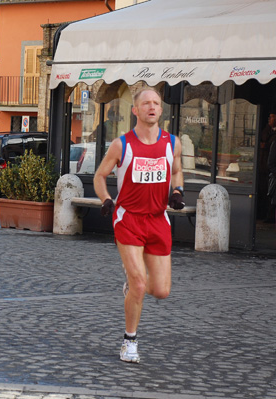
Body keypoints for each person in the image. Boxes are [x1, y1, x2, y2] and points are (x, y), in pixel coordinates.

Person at [93, 88, 184, 364]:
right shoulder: (122, 144)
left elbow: (177, 169)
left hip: (157, 220)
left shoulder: (173, 143)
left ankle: (132, 287)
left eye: (156, 103)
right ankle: (129, 342)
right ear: (135, 110)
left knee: (161, 291)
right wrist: (107, 199)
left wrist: (177, 191)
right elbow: (100, 175)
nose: (152, 107)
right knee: (140, 284)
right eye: (146, 103)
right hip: (129, 219)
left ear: (161, 110)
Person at [259, 112, 276, 223]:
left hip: (271, 168)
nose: (269, 118)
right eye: (269, 116)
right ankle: (267, 215)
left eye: (272, 116)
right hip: (267, 168)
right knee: (269, 194)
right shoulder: (268, 130)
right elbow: (263, 138)